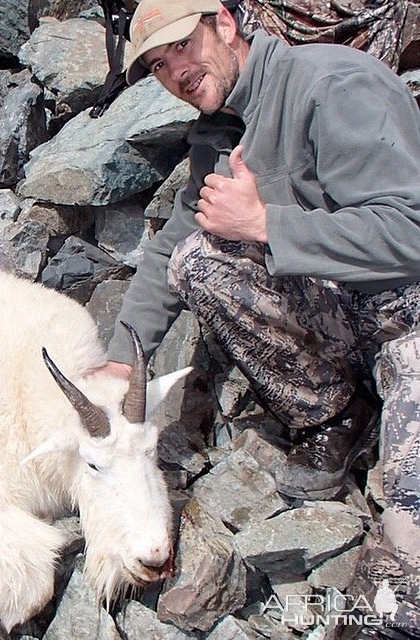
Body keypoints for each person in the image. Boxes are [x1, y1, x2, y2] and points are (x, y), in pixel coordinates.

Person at [100, 0, 420, 628]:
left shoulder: (335, 85)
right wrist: (120, 360)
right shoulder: (221, 130)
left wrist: (268, 224)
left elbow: (411, 233)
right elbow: (170, 243)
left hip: (408, 321)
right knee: (197, 258)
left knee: (408, 515)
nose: (177, 72)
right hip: (347, 323)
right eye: (161, 66)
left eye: (183, 47)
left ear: (224, 23)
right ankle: (334, 412)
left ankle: (389, 600)